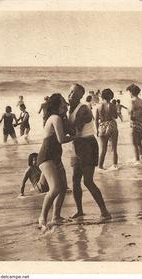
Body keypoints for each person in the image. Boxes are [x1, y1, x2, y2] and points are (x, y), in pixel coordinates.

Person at [68, 84, 111, 220]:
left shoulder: (83, 109)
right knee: (75, 180)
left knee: (87, 181)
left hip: (87, 145)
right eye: (69, 92)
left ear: (81, 96)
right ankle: (79, 211)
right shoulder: (70, 109)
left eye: (74, 93)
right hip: (76, 145)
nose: (70, 95)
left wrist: (67, 125)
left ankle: (104, 212)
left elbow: (81, 124)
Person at [37, 93, 74, 229]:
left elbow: (70, 129)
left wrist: (66, 114)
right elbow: (62, 139)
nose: (66, 104)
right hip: (46, 157)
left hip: (55, 157)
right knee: (55, 188)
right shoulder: (55, 118)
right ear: (58, 104)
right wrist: (76, 137)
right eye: (63, 102)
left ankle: (56, 217)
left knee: (63, 188)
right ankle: (42, 217)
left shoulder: (60, 118)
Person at [95, 88, 119, 171]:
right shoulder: (112, 105)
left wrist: (97, 130)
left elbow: (96, 119)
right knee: (114, 148)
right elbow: (115, 116)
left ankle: (100, 167)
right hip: (111, 125)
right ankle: (114, 166)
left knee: (103, 149)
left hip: (102, 126)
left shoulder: (98, 106)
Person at [127, 84, 142, 164]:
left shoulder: (132, 101)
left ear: (131, 92)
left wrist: (130, 116)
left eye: (129, 92)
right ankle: (141, 157)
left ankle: (137, 160)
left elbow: (130, 111)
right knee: (139, 142)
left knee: (134, 143)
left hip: (135, 124)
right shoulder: (141, 101)